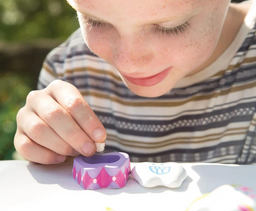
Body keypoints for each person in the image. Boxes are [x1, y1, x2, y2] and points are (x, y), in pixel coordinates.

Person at [14, 0, 256, 164]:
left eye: (170, 27)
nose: (129, 63)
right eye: (94, 21)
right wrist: (48, 151)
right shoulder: (68, 70)